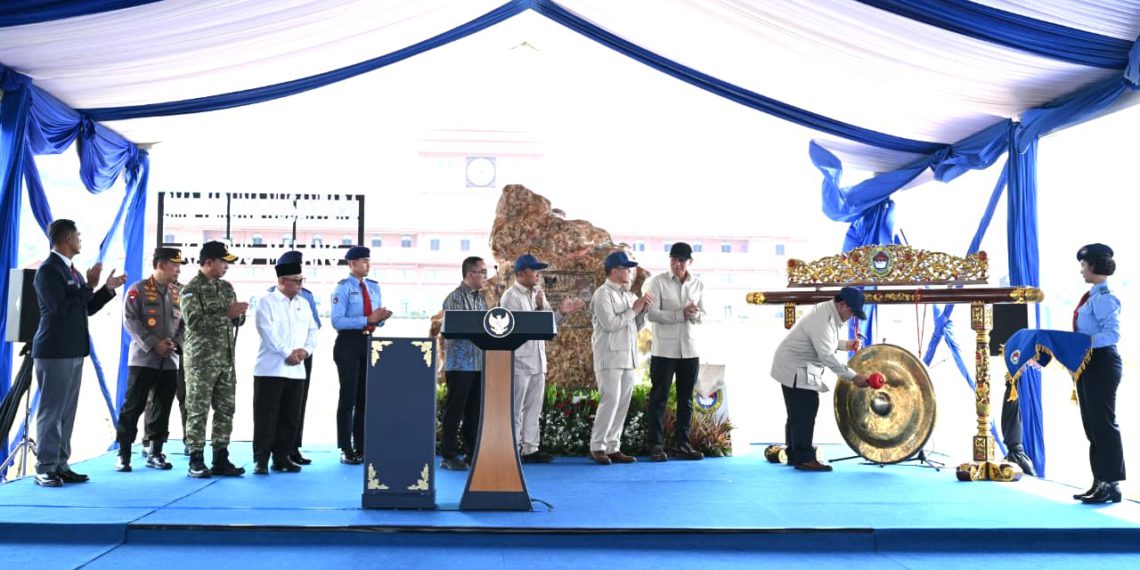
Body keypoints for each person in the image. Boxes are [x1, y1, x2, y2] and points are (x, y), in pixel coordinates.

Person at [31, 219, 127, 487]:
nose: (80, 240)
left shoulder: (72, 271)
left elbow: (86, 307)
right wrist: (89, 286)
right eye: (78, 235)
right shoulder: (48, 270)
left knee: (66, 411)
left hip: (73, 350)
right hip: (54, 350)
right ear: (67, 239)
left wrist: (106, 289)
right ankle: (45, 466)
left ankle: (60, 464)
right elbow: (59, 308)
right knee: (52, 410)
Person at [770, 287, 869, 472]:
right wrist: (854, 377)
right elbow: (826, 356)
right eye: (852, 312)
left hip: (798, 364)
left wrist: (846, 345)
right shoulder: (824, 319)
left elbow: (822, 341)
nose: (852, 317)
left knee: (797, 412)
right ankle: (804, 458)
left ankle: (794, 454)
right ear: (843, 304)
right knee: (805, 409)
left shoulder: (828, 311)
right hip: (795, 366)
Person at [499, 254, 584, 463]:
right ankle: (512, 449)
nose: (537, 274)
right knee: (515, 409)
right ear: (520, 273)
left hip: (538, 361)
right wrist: (539, 309)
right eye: (533, 270)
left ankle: (530, 449)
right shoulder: (510, 297)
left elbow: (547, 327)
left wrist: (561, 312)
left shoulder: (538, 293)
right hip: (519, 361)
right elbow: (521, 327)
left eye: (538, 270)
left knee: (534, 408)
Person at [114, 247, 187, 473]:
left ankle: (156, 451)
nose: (178, 270)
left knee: (162, 407)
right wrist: (154, 343)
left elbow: (184, 325)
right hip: (143, 360)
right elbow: (130, 320)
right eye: (174, 265)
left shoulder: (178, 293)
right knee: (133, 406)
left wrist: (175, 343)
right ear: (161, 265)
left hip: (170, 361)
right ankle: (124, 453)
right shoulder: (138, 290)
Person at [181, 241, 248, 478]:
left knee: (226, 409)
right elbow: (194, 323)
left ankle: (221, 456)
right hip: (201, 362)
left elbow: (235, 321)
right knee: (198, 409)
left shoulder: (226, 287)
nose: (226, 267)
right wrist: (227, 314)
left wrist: (239, 315)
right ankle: (196, 458)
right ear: (209, 262)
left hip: (226, 359)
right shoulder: (191, 289)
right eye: (223, 262)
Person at [251, 258, 318, 475]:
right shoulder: (266, 301)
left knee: (290, 417)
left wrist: (305, 351)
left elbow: (313, 330)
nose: (300, 285)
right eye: (296, 281)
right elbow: (267, 331)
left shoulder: (304, 303)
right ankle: (261, 459)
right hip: (270, 369)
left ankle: (282, 457)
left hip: (297, 369)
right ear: (282, 281)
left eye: (301, 280)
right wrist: (286, 353)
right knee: (266, 416)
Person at [1071, 243, 1124, 504]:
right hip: (1089, 363)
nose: (1081, 270)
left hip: (1102, 363)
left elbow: (1112, 334)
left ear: (1093, 265)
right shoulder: (1092, 296)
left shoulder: (1104, 298)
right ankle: (1099, 481)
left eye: (1083, 265)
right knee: (1092, 427)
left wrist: (1083, 343)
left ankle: (1111, 484)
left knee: (1103, 425)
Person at [589, 251, 652, 465]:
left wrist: (642, 311)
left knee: (622, 403)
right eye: (626, 269)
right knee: (610, 401)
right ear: (614, 271)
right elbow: (610, 324)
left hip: (628, 356)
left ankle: (613, 446)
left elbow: (635, 326)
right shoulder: (602, 294)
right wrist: (634, 311)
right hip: (609, 356)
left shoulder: (629, 295)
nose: (629, 272)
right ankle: (597, 446)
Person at [645, 242, 705, 462]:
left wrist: (695, 314)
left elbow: (703, 315)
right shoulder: (657, 282)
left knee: (686, 400)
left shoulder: (698, 284)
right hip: (664, 350)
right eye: (673, 259)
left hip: (690, 349)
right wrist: (681, 314)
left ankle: (683, 445)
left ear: (690, 261)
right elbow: (652, 314)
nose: (677, 263)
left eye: (681, 260)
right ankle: (656, 445)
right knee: (659, 398)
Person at [331, 245, 391, 464]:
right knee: (348, 397)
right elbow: (337, 321)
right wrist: (368, 319)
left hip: (368, 341)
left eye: (369, 260)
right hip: (348, 343)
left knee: (365, 398)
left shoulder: (373, 287)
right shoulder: (343, 288)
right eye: (364, 261)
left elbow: (375, 319)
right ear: (352, 263)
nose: (368, 264)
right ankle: (345, 447)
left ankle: (362, 445)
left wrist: (380, 318)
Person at [440, 256, 489, 471]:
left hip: (478, 362)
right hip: (460, 364)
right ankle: (449, 455)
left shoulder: (481, 299)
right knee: (455, 410)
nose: (486, 276)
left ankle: (472, 453)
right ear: (470, 274)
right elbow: (455, 328)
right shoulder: (454, 298)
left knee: (474, 412)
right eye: (482, 272)